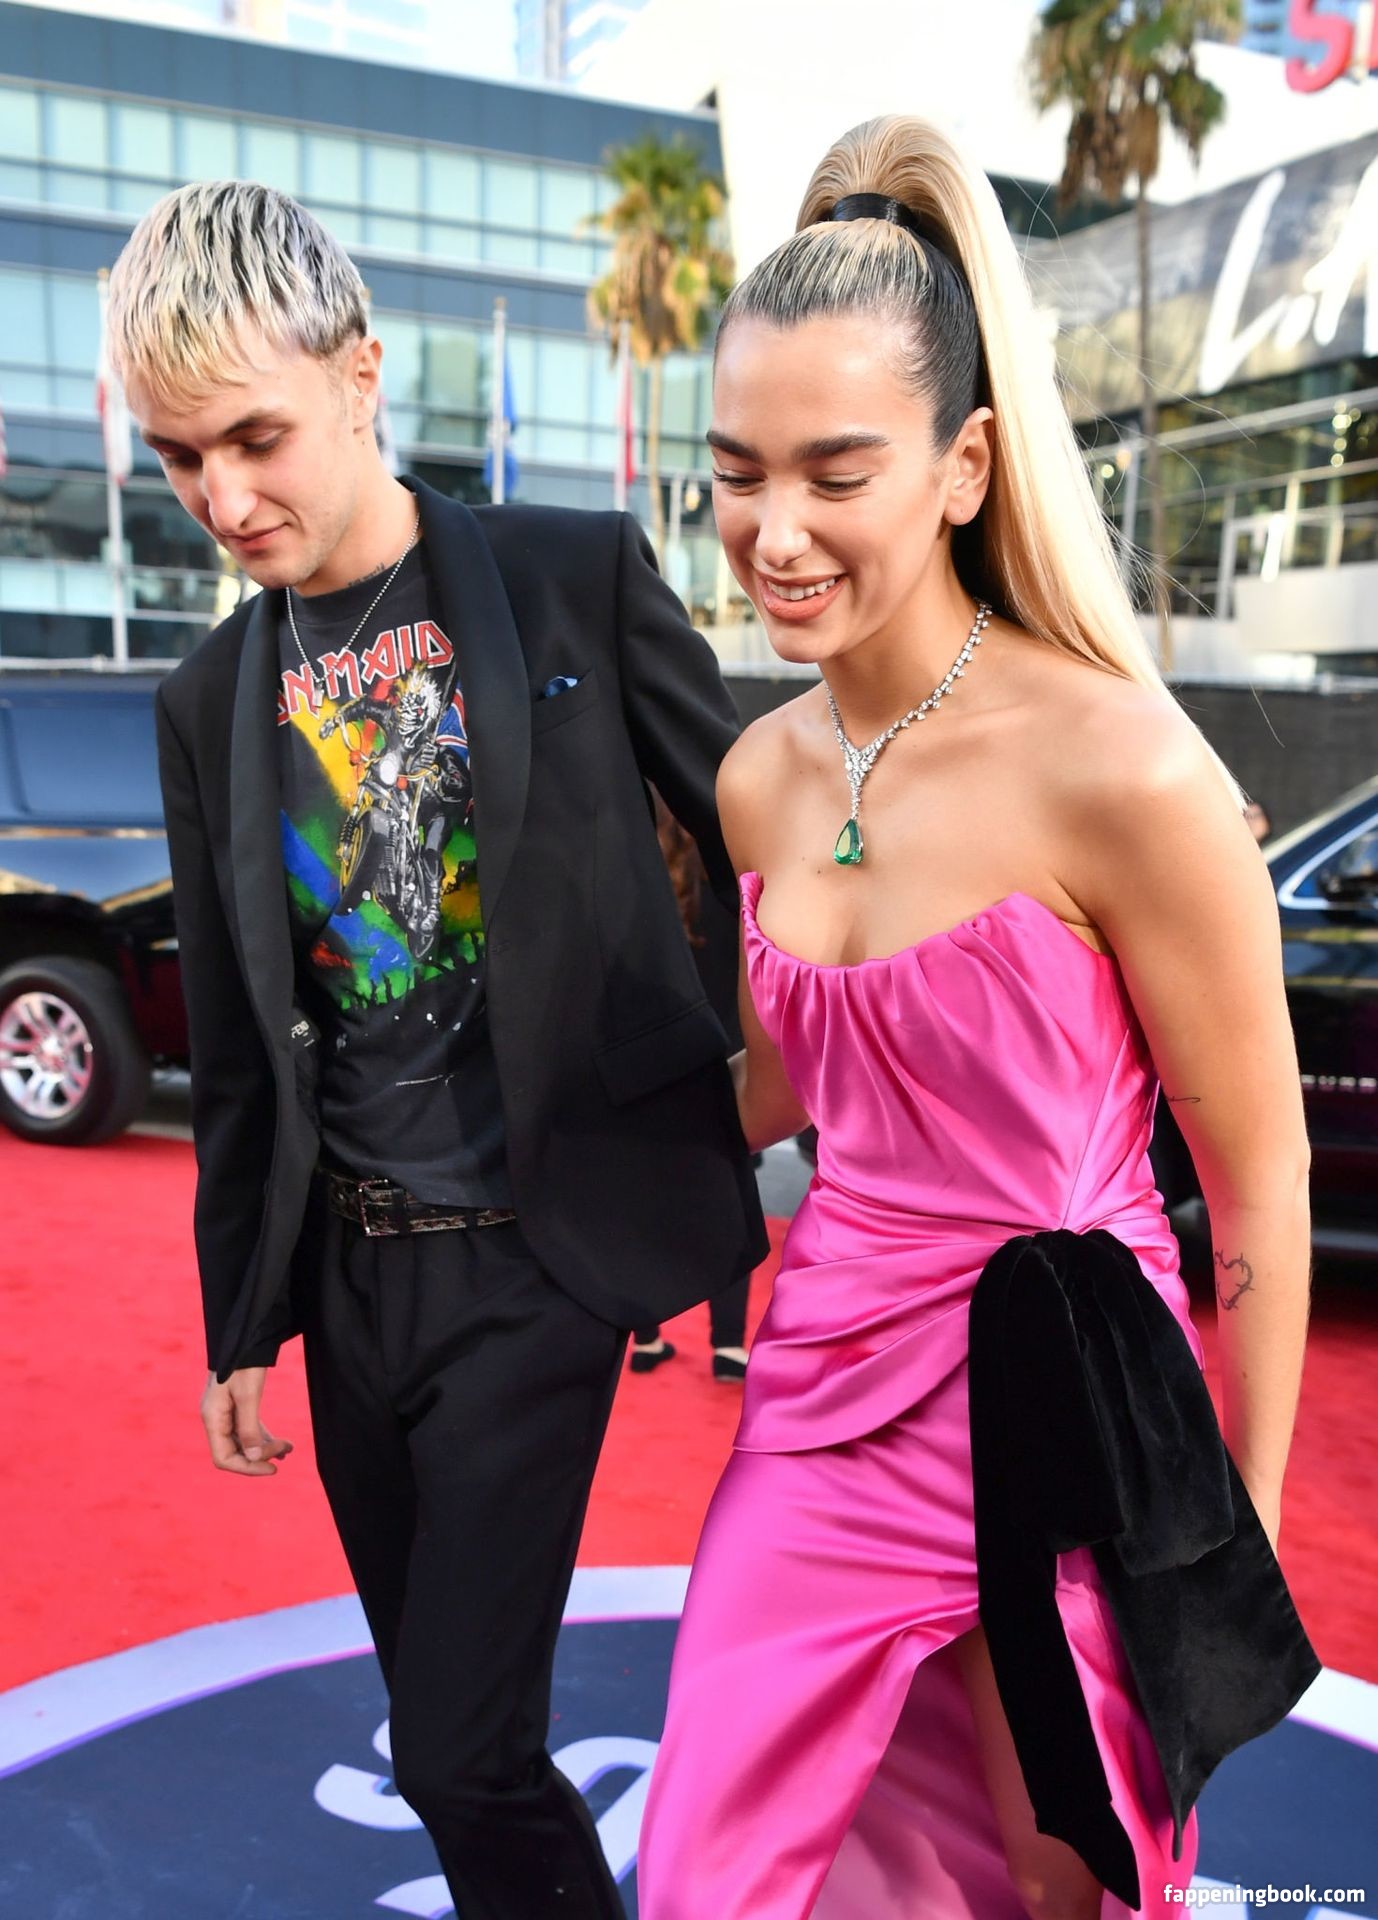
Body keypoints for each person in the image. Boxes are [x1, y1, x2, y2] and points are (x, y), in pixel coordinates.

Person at [637, 117, 1316, 1920]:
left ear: (963, 466)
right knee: (710, 1870)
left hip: (1072, 1418)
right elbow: (783, 1088)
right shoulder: (757, 775)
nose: (773, 532)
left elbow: (1257, 1178)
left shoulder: (1123, 769)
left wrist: (1224, 1535)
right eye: (736, 473)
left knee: (1050, 1886)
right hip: (819, 1406)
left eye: (834, 472)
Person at [107, 180, 765, 1919]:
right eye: (179, 459)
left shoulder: (567, 576)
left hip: (537, 1262)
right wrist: (242, 1318)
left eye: (253, 438)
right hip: (350, 1285)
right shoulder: (204, 700)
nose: (220, 499)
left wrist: (764, 1080)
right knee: (438, 1733)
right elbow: (237, 1043)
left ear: (360, 373)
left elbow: (761, 838)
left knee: (462, 1750)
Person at [630, 795, 752, 1382]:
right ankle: (728, 1344)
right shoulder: (730, 883)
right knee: (730, 1206)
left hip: (650, 1064)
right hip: (725, 1059)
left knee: (637, 1204)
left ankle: (645, 1335)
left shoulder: (638, 880)